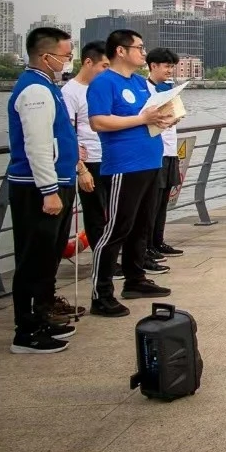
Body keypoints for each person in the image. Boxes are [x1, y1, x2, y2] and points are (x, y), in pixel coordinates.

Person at [88, 29, 175, 315]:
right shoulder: (104, 83)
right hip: (124, 165)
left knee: (142, 225)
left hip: (150, 160)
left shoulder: (139, 83)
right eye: (138, 47)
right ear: (120, 51)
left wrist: (159, 119)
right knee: (116, 228)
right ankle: (101, 294)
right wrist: (141, 118)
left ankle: (135, 279)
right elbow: (98, 122)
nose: (143, 52)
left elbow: (145, 117)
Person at [7, 27, 80, 352]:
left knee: (47, 257)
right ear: (45, 56)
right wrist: (49, 190)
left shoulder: (47, 87)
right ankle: (27, 330)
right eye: (65, 56)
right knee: (33, 260)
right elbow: (37, 145)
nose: (68, 61)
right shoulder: (35, 91)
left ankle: (43, 316)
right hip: (38, 189)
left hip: (56, 182)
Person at [60, 41, 109, 312]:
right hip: (88, 162)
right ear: (88, 62)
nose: (105, 71)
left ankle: (110, 259)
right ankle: (101, 265)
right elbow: (68, 133)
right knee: (94, 215)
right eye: (103, 66)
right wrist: (80, 168)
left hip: (109, 158)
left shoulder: (99, 88)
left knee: (111, 213)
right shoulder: (71, 92)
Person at [145, 48, 185, 268]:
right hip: (155, 152)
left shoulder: (168, 89)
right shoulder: (145, 89)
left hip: (170, 149)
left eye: (172, 66)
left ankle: (158, 241)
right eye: (166, 66)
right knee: (151, 201)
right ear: (153, 66)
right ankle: (146, 246)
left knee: (163, 200)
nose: (170, 70)